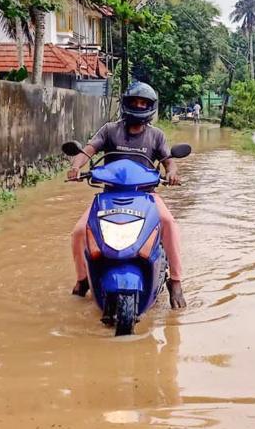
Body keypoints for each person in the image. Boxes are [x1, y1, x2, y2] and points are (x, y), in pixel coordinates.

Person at [67, 82, 187, 309]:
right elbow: (87, 151)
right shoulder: (110, 130)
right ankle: (82, 280)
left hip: (146, 197)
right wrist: (76, 166)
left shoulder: (156, 136)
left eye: (143, 103)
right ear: (126, 104)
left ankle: (177, 281)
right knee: (79, 232)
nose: (139, 106)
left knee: (169, 224)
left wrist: (171, 173)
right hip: (109, 196)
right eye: (135, 102)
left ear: (150, 107)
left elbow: (169, 162)